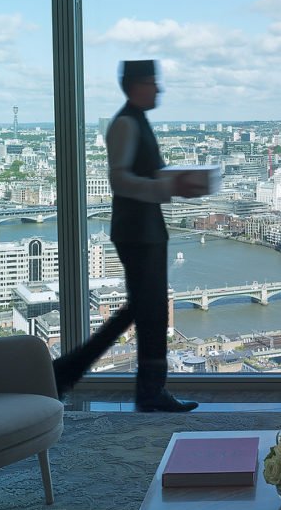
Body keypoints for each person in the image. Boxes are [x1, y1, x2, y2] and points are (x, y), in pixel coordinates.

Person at [52, 59, 206, 412]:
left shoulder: (136, 121)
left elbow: (141, 175)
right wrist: (167, 184)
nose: (159, 88)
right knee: (147, 310)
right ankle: (137, 389)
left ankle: (73, 372)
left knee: (144, 309)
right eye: (154, 82)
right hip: (138, 230)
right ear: (136, 85)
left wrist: (175, 183)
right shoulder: (125, 123)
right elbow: (119, 179)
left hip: (145, 227)